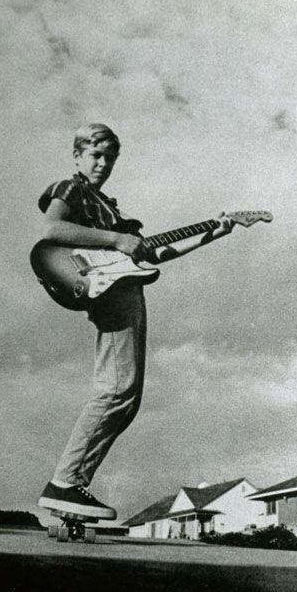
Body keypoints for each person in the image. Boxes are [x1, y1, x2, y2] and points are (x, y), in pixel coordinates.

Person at [38, 123, 233, 520]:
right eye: (95, 155)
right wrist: (114, 241)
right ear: (77, 156)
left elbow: (152, 254)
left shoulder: (111, 208)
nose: (102, 163)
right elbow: (52, 228)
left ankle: (72, 486)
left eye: (110, 157)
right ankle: (64, 483)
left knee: (126, 396)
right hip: (107, 289)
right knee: (115, 390)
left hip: (127, 289)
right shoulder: (71, 188)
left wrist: (211, 232)